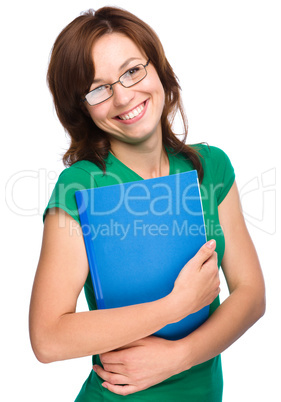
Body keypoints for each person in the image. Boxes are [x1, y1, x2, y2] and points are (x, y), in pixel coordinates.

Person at [29, 6, 265, 401]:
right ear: (82, 106)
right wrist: (175, 306)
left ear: (157, 68)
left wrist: (180, 356)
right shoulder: (81, 186)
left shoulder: (212, 167)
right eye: (98, 88)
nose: (123, 96)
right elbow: (47, 338)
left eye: (132, 71)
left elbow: (251, 294)